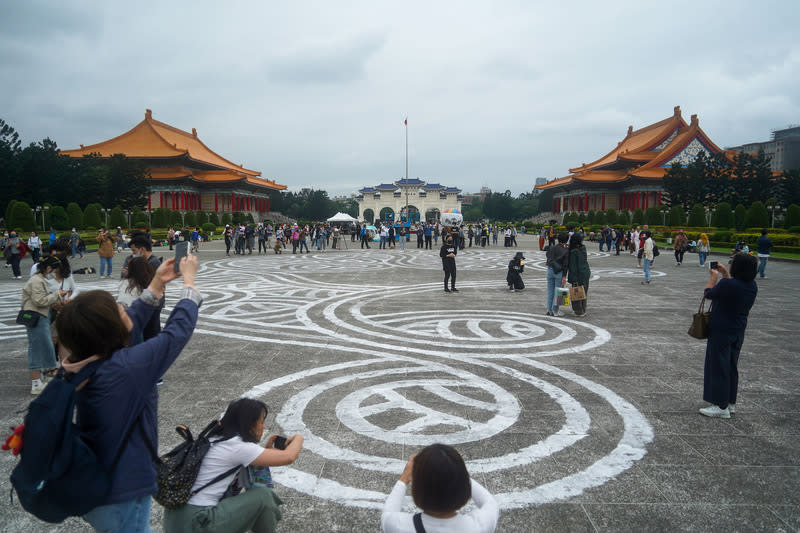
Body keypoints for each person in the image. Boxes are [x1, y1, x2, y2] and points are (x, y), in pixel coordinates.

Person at [55, 254, 200, 531]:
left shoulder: (88, 360)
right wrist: (190, 284)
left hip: (99, 487)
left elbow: (129, 322)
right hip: (122, 493)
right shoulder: (125, 369)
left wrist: (157, 282)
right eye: (118, 308)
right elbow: (175, 334)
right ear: (112, 327)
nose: (124, 307)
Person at [163, 397, 302, 533]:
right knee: (263, 496)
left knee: (255, 473)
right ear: (249, 424)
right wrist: (299, 438)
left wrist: (265, 452)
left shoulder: (214, 438)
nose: (264, 426)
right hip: (197, 522)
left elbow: (249, 457)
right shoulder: (237, 446)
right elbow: (289, 457)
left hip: (176, 520)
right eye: (261, 422)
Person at [381, 444, 499, 533]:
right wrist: (456, 471)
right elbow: (489, 502)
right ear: (463, 489)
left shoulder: (398, 526)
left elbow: (388, 512)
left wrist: (404, 478)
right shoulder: (479, 527)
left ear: (418, 492)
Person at [699, 253, 758, 418]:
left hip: (721, 330)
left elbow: (709, 293)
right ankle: (730, 402)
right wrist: (725, 275)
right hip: (737, 330)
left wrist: (713, 277)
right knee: (731, 365)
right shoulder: (751, 285)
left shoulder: (727, 285)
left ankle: (720, 405)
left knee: (718, 366)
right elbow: (730, 290)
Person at [22, 256, 66, 394]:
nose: (54, 272)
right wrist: (57, 294)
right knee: (37, 348)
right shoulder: (36, 281)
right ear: (48, 268)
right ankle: (36, 383)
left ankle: (39, 379)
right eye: (53, 269)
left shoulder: (40, 279)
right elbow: (40, 301)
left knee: (43, 347)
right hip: (37, 317)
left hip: (41, 317)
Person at [545, 233, 569, 316]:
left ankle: (549, 309)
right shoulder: (566, 250)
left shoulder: (552, 247)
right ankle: (555, 310)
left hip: (550, 270)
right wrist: (564, 276)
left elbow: (548, 256)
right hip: (559, 272)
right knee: (559, 292)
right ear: (566, 240)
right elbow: (566, 265)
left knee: (550, 291)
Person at [567, 233, 590, 316]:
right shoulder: (583, 248)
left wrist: (573, 279)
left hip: (578, 273)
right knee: (583, 291)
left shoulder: (573, 252)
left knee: (576, 291)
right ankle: (583, 309)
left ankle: (578, 311)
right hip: (585, 272)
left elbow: (573, 267)